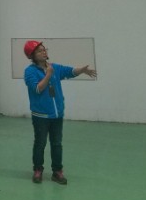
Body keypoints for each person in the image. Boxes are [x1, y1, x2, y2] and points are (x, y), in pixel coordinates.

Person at [23, 40, 97, 185]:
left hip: (57, 115)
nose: (44, 52)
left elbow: (69, 71)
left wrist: (81, 70)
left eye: (44, 49)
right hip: (41, 116)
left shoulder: (54, 67)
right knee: (40, 143)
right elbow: (37, 89)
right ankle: (38, 170)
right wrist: (48, 75)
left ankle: (57, 171)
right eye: (39, 51)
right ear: (32, 55)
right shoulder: (30, 71)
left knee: (56, 144)